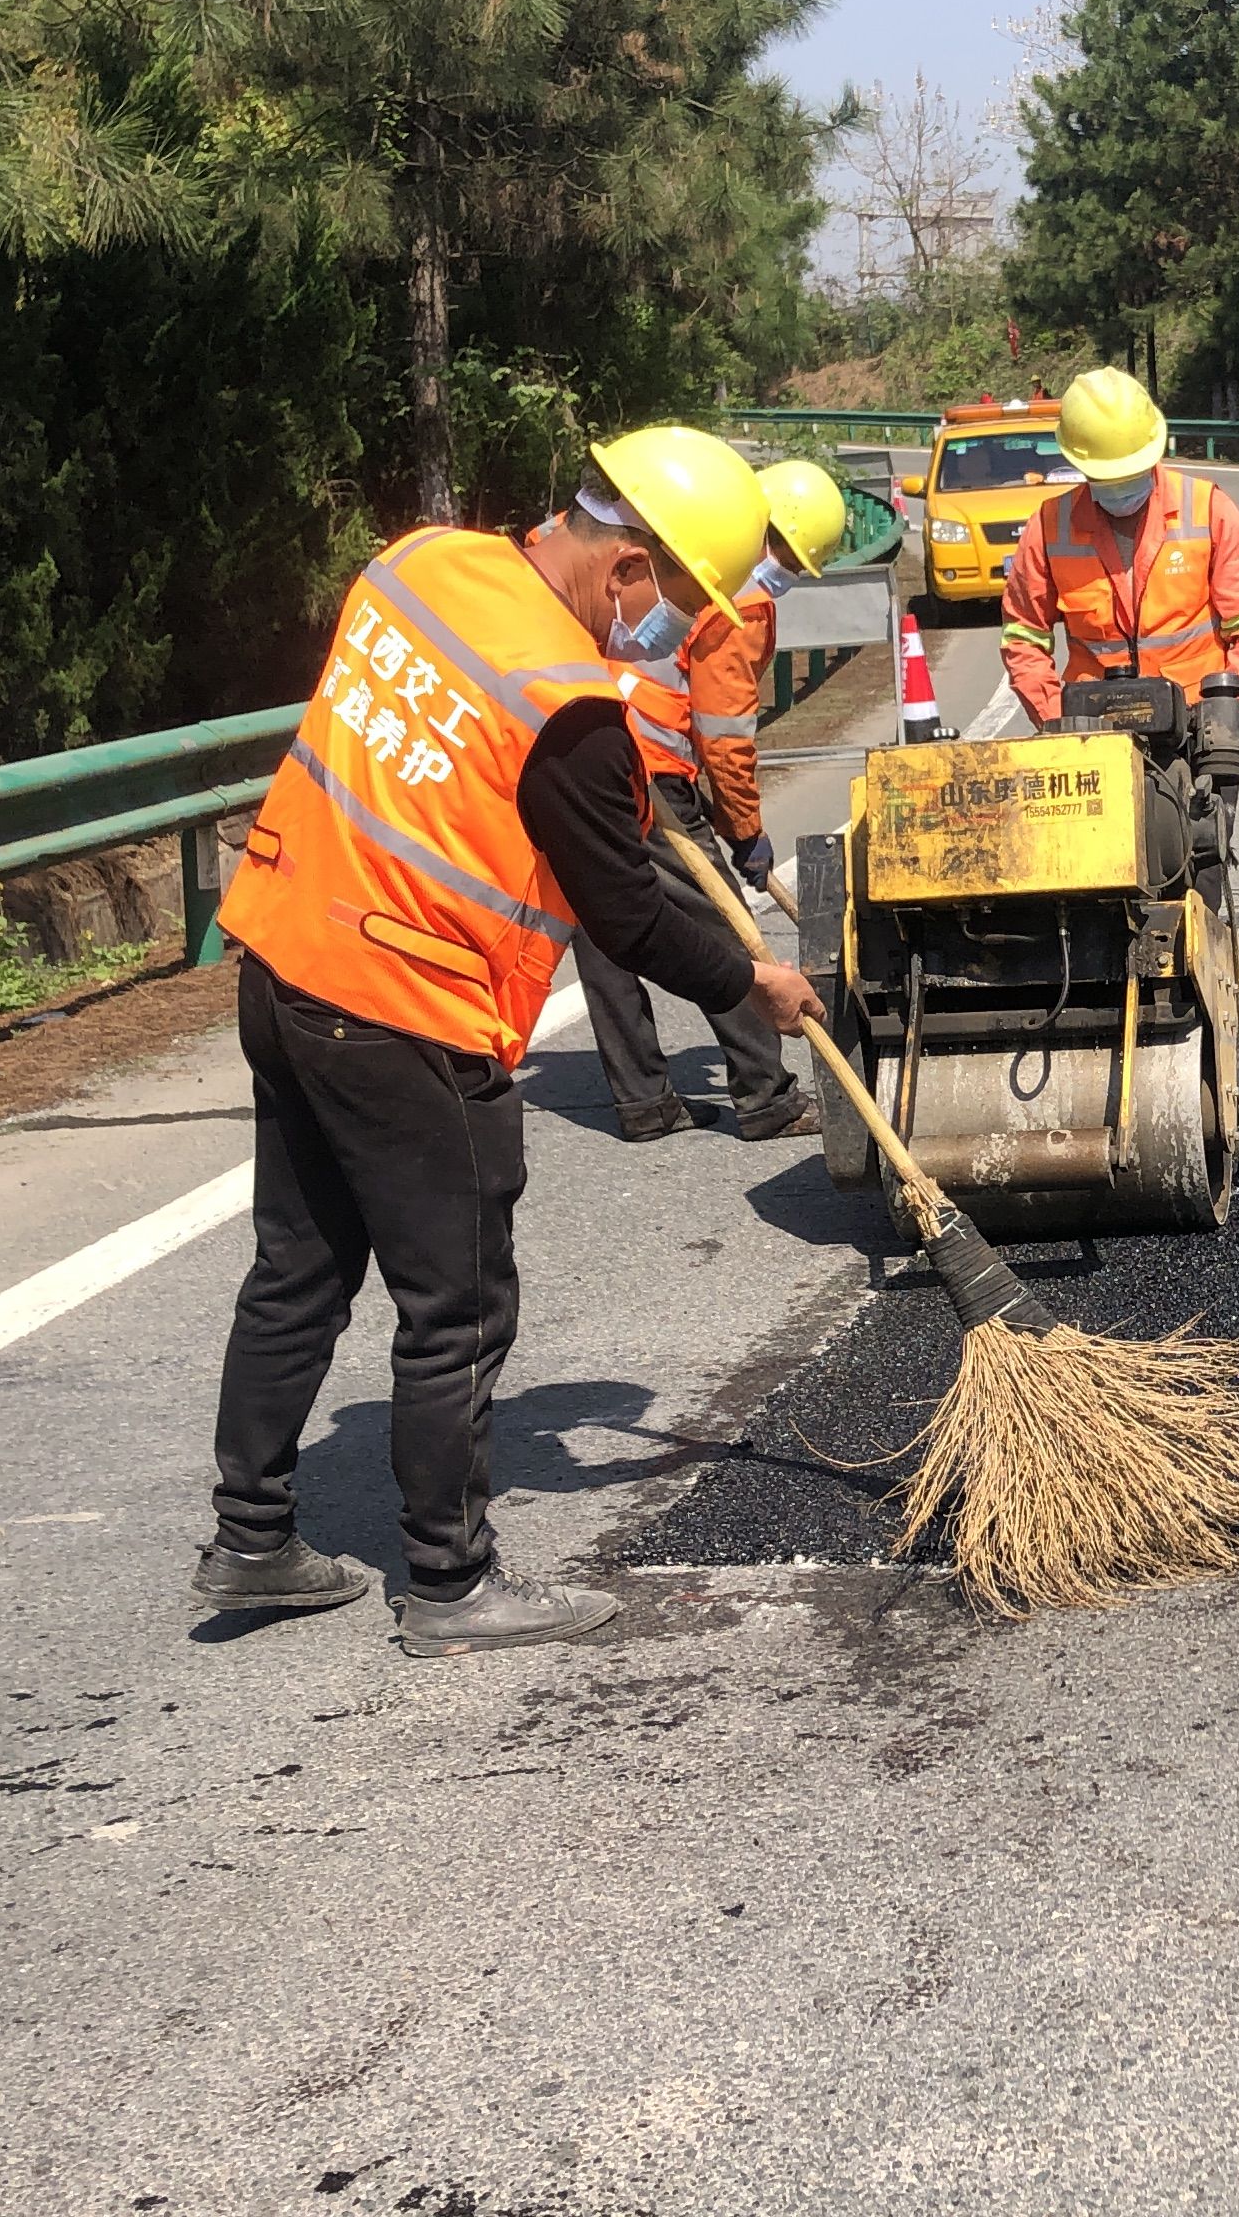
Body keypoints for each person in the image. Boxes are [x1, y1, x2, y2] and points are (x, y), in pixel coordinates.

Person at [192, 425, 829, 1658]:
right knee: (459, 1304)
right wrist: (751, 983)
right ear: (631, 567)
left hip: (281, 960)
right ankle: (449, 1583)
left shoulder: (420, 564)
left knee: (299, 1270)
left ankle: (254, 1539)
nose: (676, 628)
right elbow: (630, 912)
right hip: (403, 1010)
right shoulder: (569, 706)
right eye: (682, 599)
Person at [570, 457, 849, 1143]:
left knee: (598, 922)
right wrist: (744, 830)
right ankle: (766, 1095)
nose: (780, 569)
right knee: (719, 924)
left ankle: (642, 1099)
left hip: (597, 747)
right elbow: (725, 732)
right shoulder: (740, 599)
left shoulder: (680, 555)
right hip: (650, 771)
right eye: (784, 554)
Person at [997, 368, 1239, 729]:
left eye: (1130, 473)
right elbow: (1024, 637)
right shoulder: (1049, 526)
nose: (1120, 488)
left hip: (1194, 725)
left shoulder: (1206, 509)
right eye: (1107, 477)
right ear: (1078, 464)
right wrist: (1056, 720)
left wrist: (1225, 710)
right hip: (1093, 731)